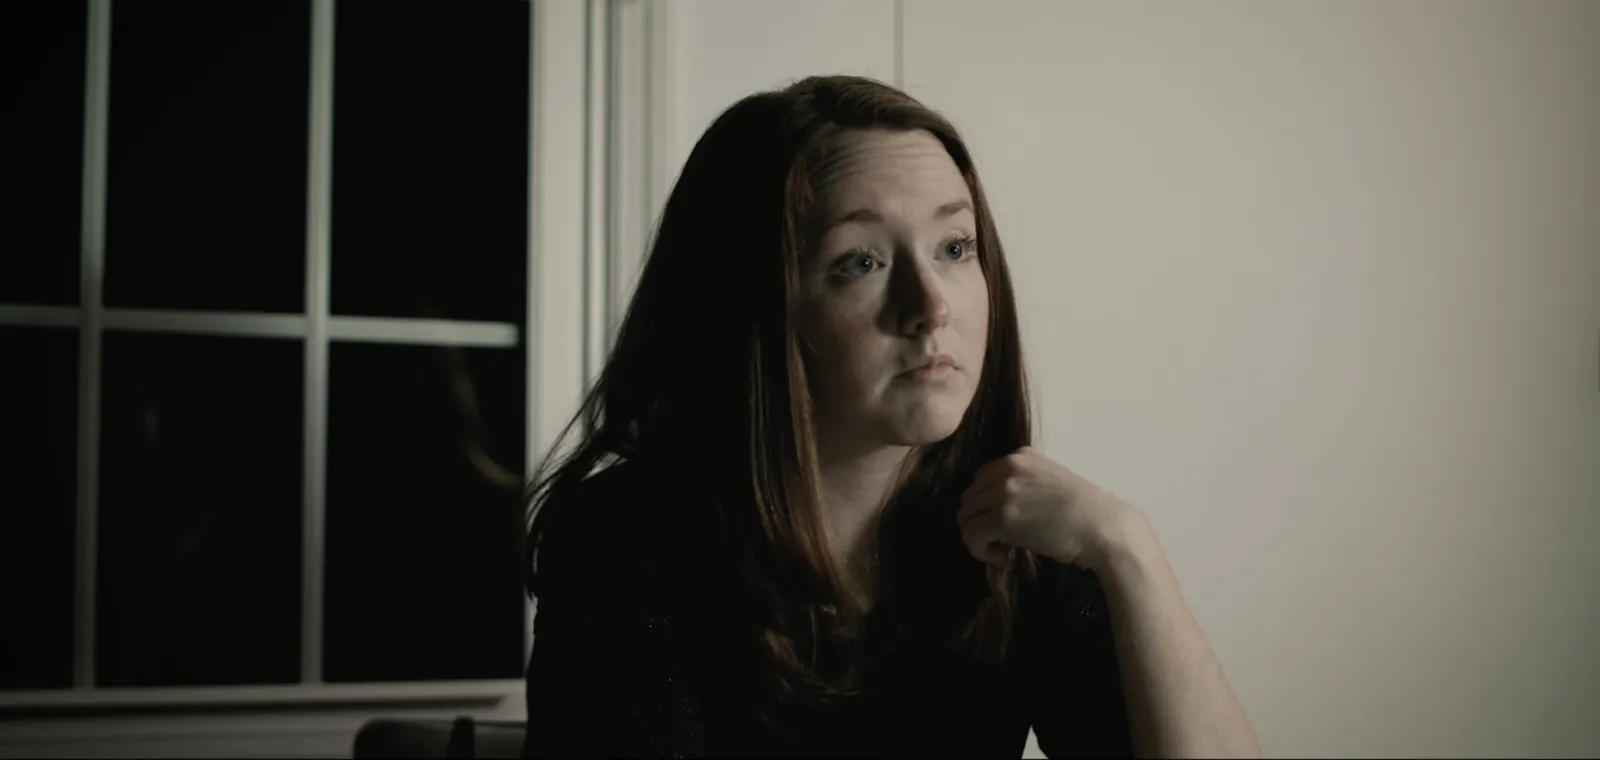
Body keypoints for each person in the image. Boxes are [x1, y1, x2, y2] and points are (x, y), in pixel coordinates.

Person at [520, 74, 1260, 758]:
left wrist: (1129, 553)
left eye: (954, 248)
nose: (931, 307)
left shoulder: (1021, 539)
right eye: (861, 262)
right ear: (752, 307)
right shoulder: (628, 542)